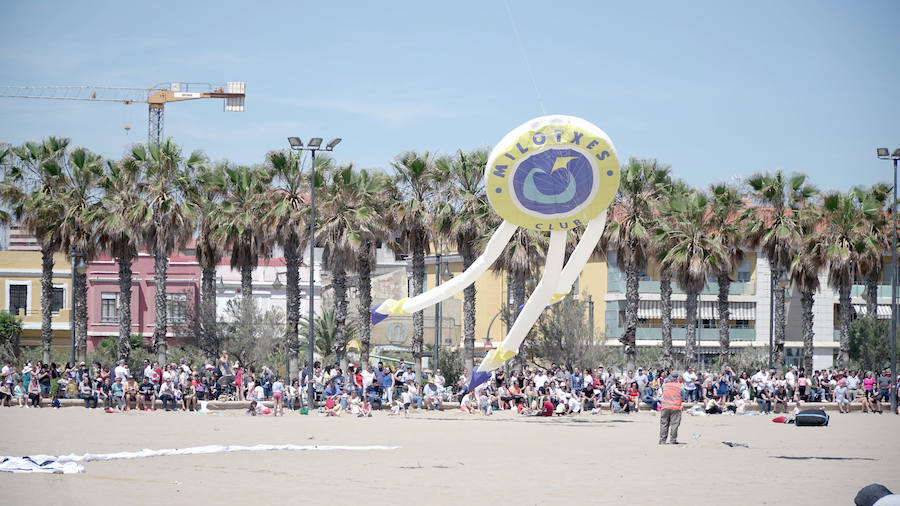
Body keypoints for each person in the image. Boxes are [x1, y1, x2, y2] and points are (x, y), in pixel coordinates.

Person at [659, 373, 683, 445]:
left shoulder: (664, 384)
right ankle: (672, 440)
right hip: (676, 407)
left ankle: (662, 440)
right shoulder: (680, 386)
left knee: (664, 424)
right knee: (674, 424)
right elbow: (683, 395)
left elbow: (662, 392)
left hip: (665, 407)